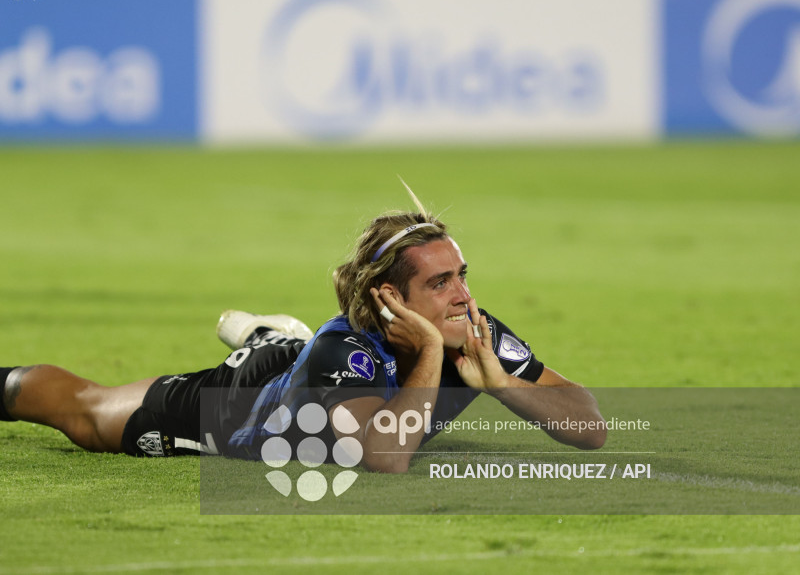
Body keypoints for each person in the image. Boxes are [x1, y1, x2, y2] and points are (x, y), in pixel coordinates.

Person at [0, 206, 606, 473]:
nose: (463, 297)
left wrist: (503, 386)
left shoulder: (473, 331)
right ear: (390, 299)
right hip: (247, 402)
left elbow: (590, 427)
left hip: (311, 373)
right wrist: (425, 353)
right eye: (441, 282)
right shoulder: (347, 349)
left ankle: (277, 334)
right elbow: (386, 458)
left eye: (463, 276)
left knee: (301, 354)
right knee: (88, 416)